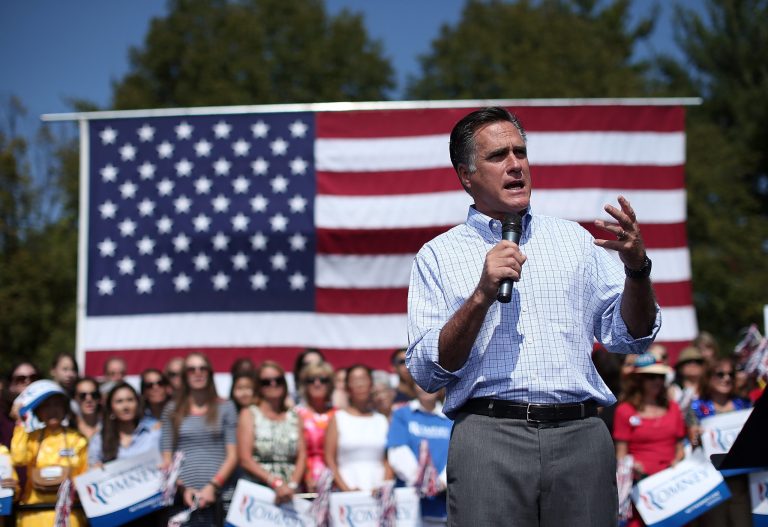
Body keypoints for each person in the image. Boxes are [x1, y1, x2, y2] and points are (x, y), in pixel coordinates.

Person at [406, 107, 660, 526]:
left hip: (581, 436)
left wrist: (637, 270)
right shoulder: (438, 255)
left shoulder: (575, 239)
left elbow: (632, 336)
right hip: (489, 438)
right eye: (498, 156)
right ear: (466, 175)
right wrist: (481, 296)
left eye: (520, 152)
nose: (515, 164)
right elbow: (427, 372)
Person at [161, 353, 238, 526]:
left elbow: (233, 456)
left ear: (210, 373)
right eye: (192, 369)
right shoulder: (171, 409)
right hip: (183, 499)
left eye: (203, 368)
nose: (198, 373)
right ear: (184, 375)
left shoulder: (226, 407)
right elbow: (166, 457)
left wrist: (212, 486)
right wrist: (182, 488)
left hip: (220, 497)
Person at [613, 353, 685, 527]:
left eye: (661, 376)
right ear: (638, 380)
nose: (657, 381)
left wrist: (678, 460)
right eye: (651, 376)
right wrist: (632, 466)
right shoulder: (624, 410)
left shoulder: (673, 407)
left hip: (673, 485)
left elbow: (680, 447)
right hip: (642, 488)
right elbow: (621, 455)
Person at [11, 380, 88, 527]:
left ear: (65, 408)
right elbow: (19, 459)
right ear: (38, 411)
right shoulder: (31, 437)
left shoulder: (78, 439)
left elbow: (85, 476)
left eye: (57, 404)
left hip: (69, 515)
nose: (52, 410)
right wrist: (20, 423)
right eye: (46, 405)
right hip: (33, 515)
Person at [687, 358, 752, 527]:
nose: (726, 378)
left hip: (741, 480)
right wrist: (696, 437)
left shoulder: (744, 404)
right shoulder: (696, 407)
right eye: (720, 374)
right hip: (712, 481)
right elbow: (692, 446)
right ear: (708, 378)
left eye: (730, 374)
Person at [237, 361, 305, 504]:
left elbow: (302, 455)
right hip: (259, 489)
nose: (273, 384)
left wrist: (292, 485)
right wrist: (275, 483)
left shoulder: (294, 416)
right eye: (266, 382)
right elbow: (245, 459)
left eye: (278, 380)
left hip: (290, 493)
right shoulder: (249, 414)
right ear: (258, 386)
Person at [387, 385, 452, 526]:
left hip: (443, 504)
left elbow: (457, 455)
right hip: (410, 506)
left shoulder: (451, 417)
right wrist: (423, 481)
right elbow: (397, 451)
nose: (427, 386)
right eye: (421, 381)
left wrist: (441, 482)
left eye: (433, 382)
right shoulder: (402, 414)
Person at [325, 364, 392, 492]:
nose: (360, 384)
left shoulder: (381, 420)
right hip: (346, 490)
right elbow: (330, 459)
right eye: (355, 380)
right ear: (347, 387)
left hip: (378, 490)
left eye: (363, 379)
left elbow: (388, 460)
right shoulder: (338, 418)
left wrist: (383, 487)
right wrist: (346, 490)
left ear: (371, 384)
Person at [88, 382, 161, 465]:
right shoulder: (99, 439)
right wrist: (96, 468)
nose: (126, 406)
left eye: (130, 400)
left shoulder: (153, 433)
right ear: (111, 408)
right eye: (119, 401)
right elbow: (92, 463)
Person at [296, 361, 335, 492]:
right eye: (311, 380)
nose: (317, 384)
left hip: (336, 481)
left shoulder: (339, 415)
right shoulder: (297, 414)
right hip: (304, 483)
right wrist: (306, 476)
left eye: (323, 380)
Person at [670, 346, 705, 413]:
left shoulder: (711, 390)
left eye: (698, 362)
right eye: (688, 362)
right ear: (680, 368)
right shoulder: (673, 391)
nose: (693, 365)